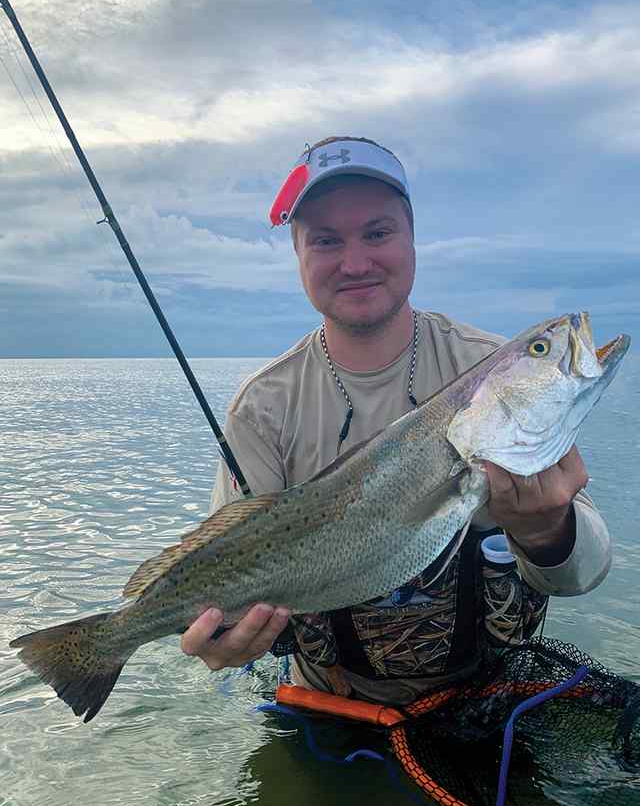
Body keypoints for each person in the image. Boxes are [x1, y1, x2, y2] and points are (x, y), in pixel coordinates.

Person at [180, 136, 612, 705]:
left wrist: (546, 530)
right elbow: (221, 561)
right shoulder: (263, 407)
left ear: (411, 239)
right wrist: (225, 639)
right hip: (328, 703)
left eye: (378, 233)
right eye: (326, 241)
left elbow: (585, 572)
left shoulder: (488, 369)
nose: (355, 262)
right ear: (299, 256)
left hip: (494, 698)